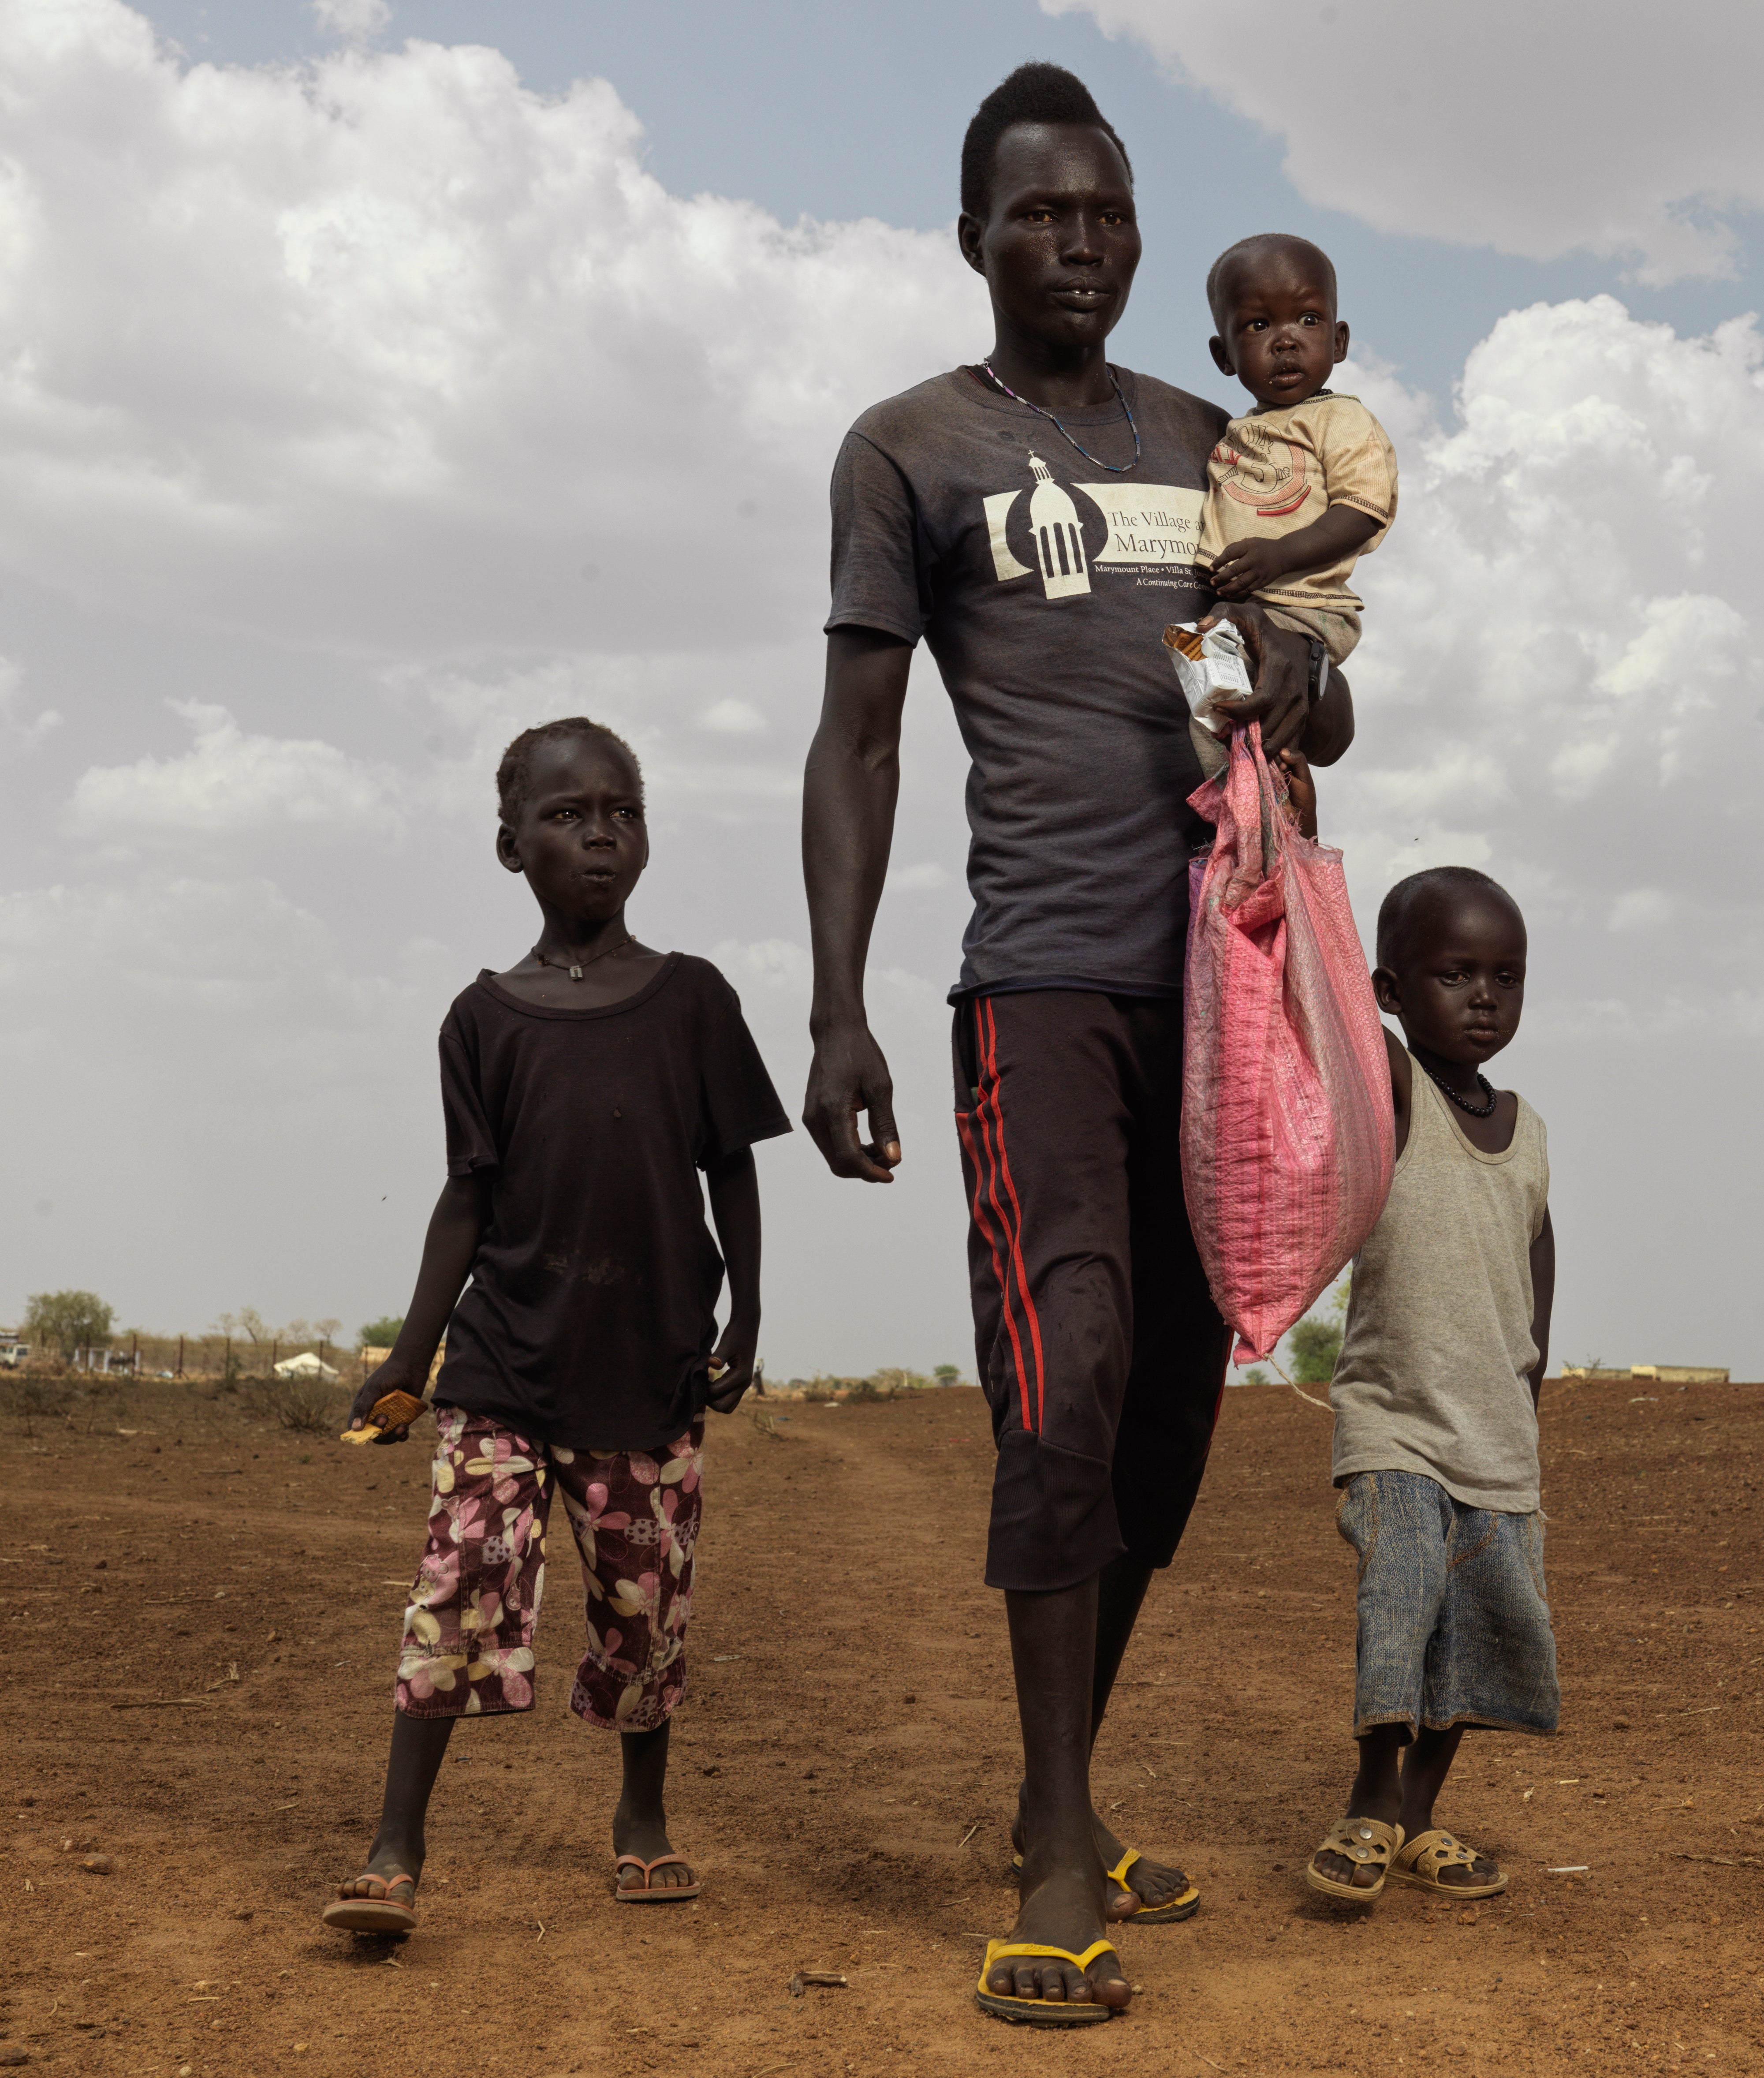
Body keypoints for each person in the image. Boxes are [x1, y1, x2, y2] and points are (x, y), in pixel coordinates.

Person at [800, 63, 1350, 2025]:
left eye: (1106, 215)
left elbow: (1262, 703)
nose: (1081, 244)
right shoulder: (910, 451)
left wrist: (1285, 675)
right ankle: (1048, 1851)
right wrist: (836, 1001)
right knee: (1076, 1358)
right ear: (973, 237)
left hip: (1215, 990)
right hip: (1032, 982)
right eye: (1040, 214)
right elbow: (859, 735)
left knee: (1177, 1414)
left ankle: (1070, 1778)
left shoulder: (1218, 443)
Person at [323, 717, 789, 1936]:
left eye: (621, 811)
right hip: (505, 1365)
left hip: (650, 1364)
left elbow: (728, 1163)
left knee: (645, 1607)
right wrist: (409, 1354)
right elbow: (466, 1196)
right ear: (507, 843)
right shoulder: (482, 1019)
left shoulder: (693, 998)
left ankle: (640, 1822)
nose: (598, 832)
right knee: (456, 1581)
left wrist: (747, 1300)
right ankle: (393, 1849)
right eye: (567, 813)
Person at [1301, 862, 1558, 1908]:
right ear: (1393, 992)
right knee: (1401, 1599)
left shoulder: (1530, 1126)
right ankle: (1369, 1800)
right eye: (1456, 974)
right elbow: (1329, 1025)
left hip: (1494, 1428)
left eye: (1506, 975)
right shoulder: (1393, 1091)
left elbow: (1538, 1251)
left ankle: (1417, 1818)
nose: (1485, 996)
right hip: (1395, 1420)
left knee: (1477, 1627)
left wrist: (1531, 1381)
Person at [1186, 233, 1395, 775]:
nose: (1285, 341)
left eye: (1307, 320)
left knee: (1235, 715)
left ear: (1339, 339)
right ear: (1222, 355)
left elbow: (1362, 508)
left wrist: (1278, 556)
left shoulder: (1341, 419)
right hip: (1235, 615)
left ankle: (1243, 828)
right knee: (1205, 698)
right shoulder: (1235, 432)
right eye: (1258, 326)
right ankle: (1239, 816)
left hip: (1302, 609)